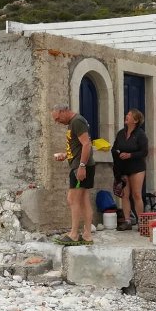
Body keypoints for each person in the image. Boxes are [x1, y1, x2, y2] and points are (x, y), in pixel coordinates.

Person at [51, 104, 94, 246]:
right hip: (79, 165)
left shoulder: (77, 121)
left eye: (58, 118)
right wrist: (66, 155)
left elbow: (87, 144)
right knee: (83, 200)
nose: (58, 122)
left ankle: (74, 234)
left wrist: (81, 166)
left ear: (64, 111)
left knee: (72, 199)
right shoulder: (73, 123)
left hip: (81, 167)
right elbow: (78, 146)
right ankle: (87, 235)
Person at [111, 109, 148, 230]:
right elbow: (114, 147)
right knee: (125, 195)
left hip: (137, 167)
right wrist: (117, 153)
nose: (126, 116)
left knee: (136, 194)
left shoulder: (140, 134)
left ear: (136, 120)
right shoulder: (121, 133)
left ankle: (141, 221)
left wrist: (130, 155)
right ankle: (127, 221)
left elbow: (144, 152)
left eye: (130, 115)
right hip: (123, 167)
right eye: (127, 114)